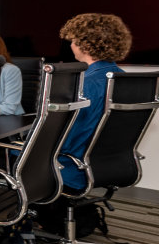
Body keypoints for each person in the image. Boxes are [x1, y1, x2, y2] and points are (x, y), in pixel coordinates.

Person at [56, 13, 131, 191]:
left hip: (71, 168)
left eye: (73, 40)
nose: (71, 45)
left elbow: (64, 140)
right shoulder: (125, 79)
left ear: (85, 44)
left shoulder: (84, 85)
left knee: (0, 153)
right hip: (108, 166)